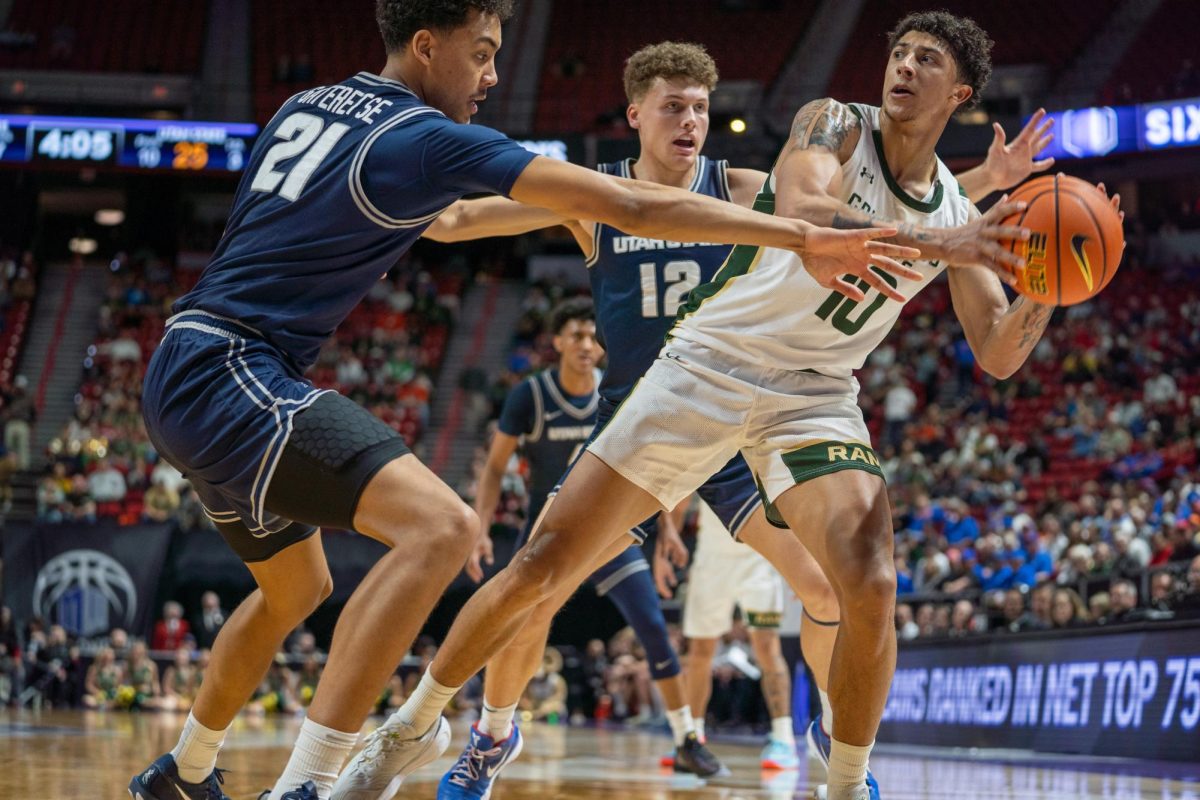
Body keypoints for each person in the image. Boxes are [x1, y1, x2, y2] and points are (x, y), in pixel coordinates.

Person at [129, 2, 905, 798]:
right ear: (427, 46)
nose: (495, 76)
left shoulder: (309, 102)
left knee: (299, 589)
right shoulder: (426, 137)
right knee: (446, 530)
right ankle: (320, 780)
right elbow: (620, 209)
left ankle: (184, 770)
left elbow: (421, 218)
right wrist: (808, 237)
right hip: (240, 369)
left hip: (193, 358)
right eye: (483, 53)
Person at [341, 15, 1092, 800]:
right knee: (542, 567)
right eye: (898, 52)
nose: (902, 66)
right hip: (704, 367)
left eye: (925, 60)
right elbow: (807, 210)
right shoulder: (835, 122)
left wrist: (1050, 282)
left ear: (960, 93)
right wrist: (952, 239)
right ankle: (417, 726)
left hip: (814, 395)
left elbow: (1000, 353)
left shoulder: (949, 216)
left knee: (865, 580)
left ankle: (843, 779)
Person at [440, 296, 729, 797]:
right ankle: (492, 731)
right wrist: (482, 527)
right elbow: (493, 467)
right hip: (548, 537)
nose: (586, 345)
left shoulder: (617, 392)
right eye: (575, 335)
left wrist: (667, 532)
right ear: (555, 343)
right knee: (522, 625)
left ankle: (687, 736)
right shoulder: (529, 395)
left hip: (612, 531)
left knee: (653, 625)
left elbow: (654, 464)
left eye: (593, 336)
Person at [677, 500, 797, 769]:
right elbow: (679, 501)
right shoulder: (703, 455)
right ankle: (692, 738)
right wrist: (668, 540)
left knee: (767, 649)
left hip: (759, 557)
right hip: (711, 560)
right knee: (699, 653)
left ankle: (783, 738)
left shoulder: (765, 455)